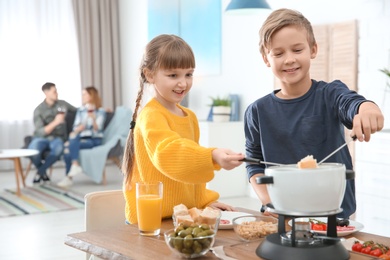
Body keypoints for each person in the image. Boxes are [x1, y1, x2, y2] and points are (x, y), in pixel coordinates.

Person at [244, 8, 384, 219]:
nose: (289, 59)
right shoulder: (257, 111)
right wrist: (269, 202)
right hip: (282, 216)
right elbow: (254, 163)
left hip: (333, 217)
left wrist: (367, 108)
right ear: (266, 58)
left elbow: (351, 103)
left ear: (313, 50)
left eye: (297, 50)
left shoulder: (330, 94)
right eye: (278, 53)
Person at [121, 34, 245, 224]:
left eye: (188, 74)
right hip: (150, 220)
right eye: (173, 75)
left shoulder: (190, 117)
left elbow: (190, 174)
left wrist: (205, 202)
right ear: (150, 74)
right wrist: (211, 156)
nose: (183, 83)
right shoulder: (151, 115)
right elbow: (169, 152)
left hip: (182, 216)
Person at [57, 86, 106, 187]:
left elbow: (98, 129)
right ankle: (72, 170)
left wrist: (93, 120)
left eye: (85, 94)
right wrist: (79, 128)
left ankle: (69, 176)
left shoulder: (100, 111)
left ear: (91, 96)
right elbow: (75, 127)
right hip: (81, 138)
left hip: (94, 140)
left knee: (68, 146)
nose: (82, 96)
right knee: (68, 147)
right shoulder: (81, 110)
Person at [28, 82, 77, 184]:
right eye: (54, 91)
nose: (57, 93)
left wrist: (98, 110)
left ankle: (40, 172)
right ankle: (42, 172)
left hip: (57, 138)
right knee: (33, 150)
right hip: (42, 138)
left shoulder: (62, 104)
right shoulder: (39, 110)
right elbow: (40, 131)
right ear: (46, 92)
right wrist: (56, 122)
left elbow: (78, 110)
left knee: (58, 149)